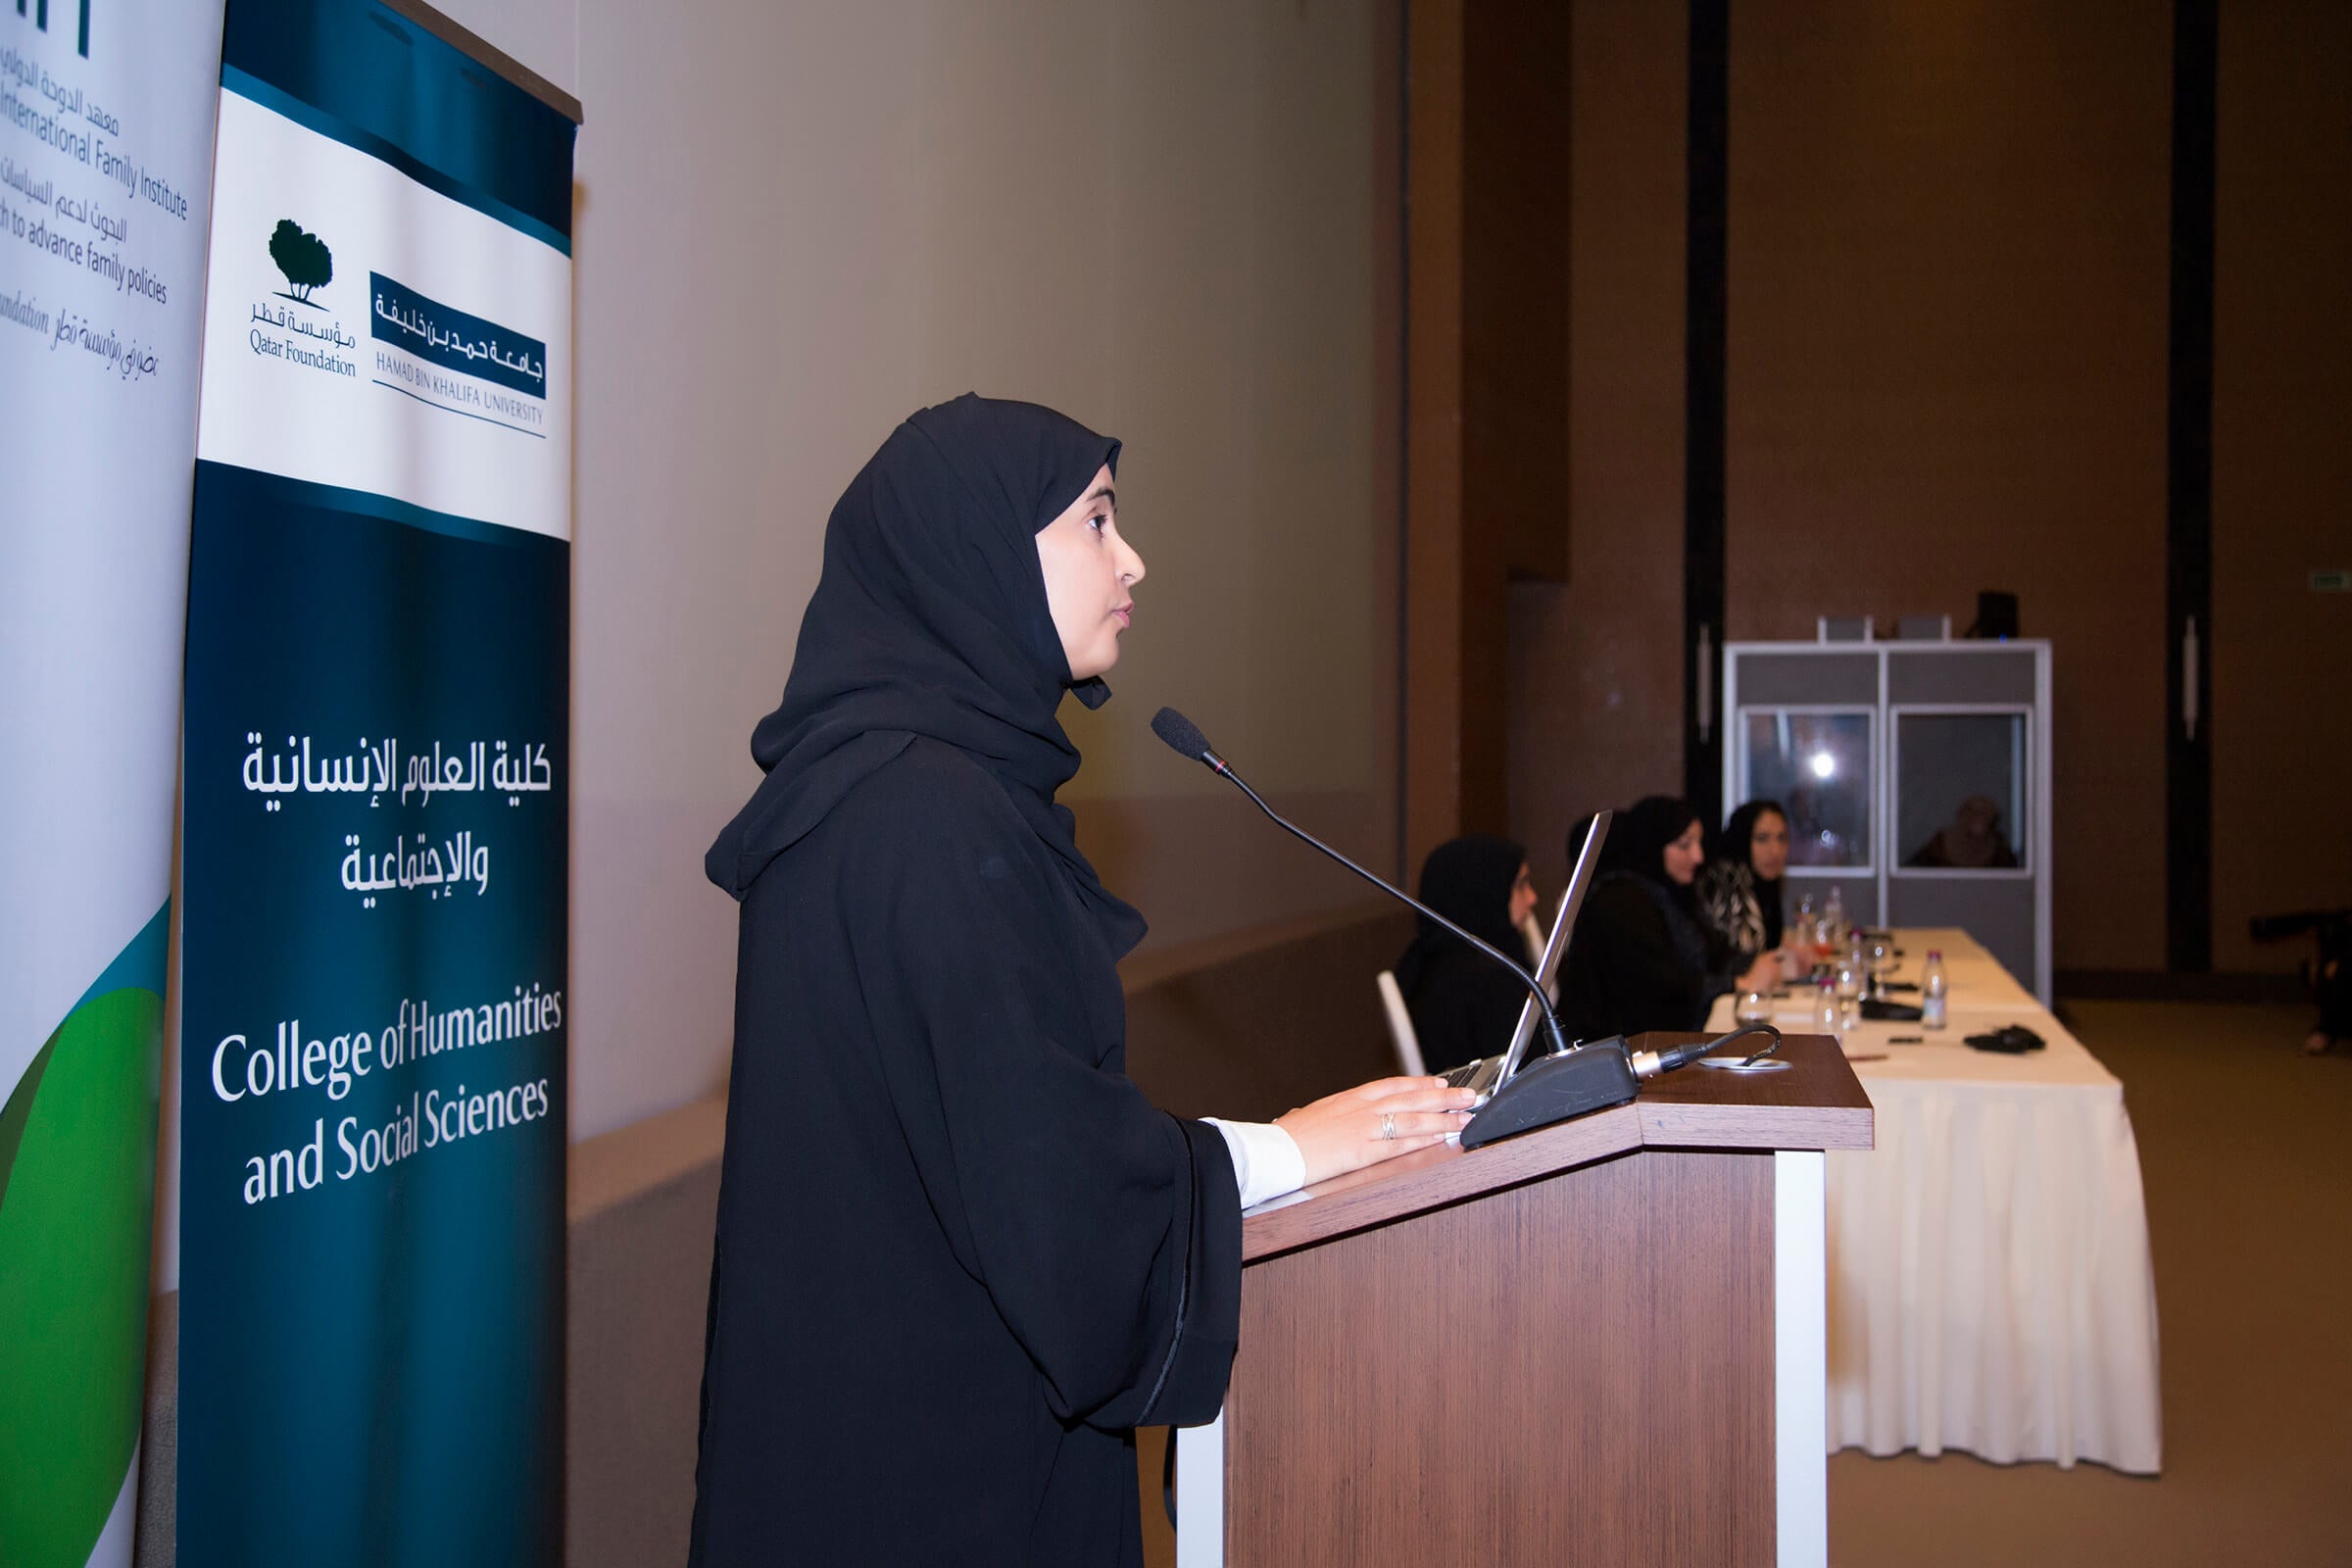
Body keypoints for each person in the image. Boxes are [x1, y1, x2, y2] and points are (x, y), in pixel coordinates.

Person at [689, 395, 1475, 1567]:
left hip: (868, 1444)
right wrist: (1294, 1149)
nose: (1134, 559)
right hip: (934, 1485)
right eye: (1097, 521)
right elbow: (1048, 1187)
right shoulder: (928, 817)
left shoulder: (893, 787)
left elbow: (999, 1123)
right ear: (978, 548)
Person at [1558, 796, 1777, 1040]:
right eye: (1685, 845)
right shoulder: (1620, 902)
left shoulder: (1668, 892)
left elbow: (1712, 953)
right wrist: (1737, 984)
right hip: (1617, 1049)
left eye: (1698, 843)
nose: (1698, 856)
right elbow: (1656, 987)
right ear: (1654, 845)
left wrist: (1760, 964)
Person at [1394, 835, 1539, 1076]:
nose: (1532, 897)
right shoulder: (1488, 983)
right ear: (1486, 891)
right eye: (1521, 885)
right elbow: (1535, 1076)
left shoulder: (1429, 965)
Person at [1697, 799, 1795, 975]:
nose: (1775, 850)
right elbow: (1728, 961)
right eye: (1762, 839)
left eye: (1782, 838)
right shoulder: (1724, 881)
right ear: (1742, 838)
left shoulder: (1764, 884)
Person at [1907, 793, 2021, 868]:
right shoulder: (1938, 846)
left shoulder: (2001, 853)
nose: (1979, 817)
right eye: (1972, 811)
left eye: (1985, 812)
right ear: (1961, 815)